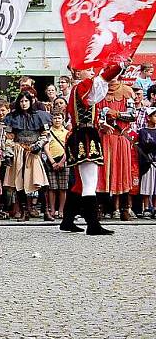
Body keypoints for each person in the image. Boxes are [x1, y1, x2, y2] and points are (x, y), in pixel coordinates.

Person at [60, 62, 124, 236]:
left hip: (82, 133)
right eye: (88, 69)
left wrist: (100, 125)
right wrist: (120, 65)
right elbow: (103, 80)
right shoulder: (82, 87)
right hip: (85, 137)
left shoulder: (77, 90)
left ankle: (67, 221)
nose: (91, 72)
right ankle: (93, 224)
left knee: (79, 184)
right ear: (78, 73)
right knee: (90, 183)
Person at [3, 92, 50, 222]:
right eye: (21, 101)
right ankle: (24, 211)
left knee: (40, 182)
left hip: (34, 151)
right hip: (19, 151)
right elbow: (8, 137)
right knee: (20, 183)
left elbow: (45, 133)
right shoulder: (12, 117)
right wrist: (9, 151)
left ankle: (46, 211)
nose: (24, 103)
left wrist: (39, 144)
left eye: (26, 101)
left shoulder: (40, 116)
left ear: (31, 102)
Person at [98, 78, 134, 220]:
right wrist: (103, 121)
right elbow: (96, 114)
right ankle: (100, 207)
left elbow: (132, 115)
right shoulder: (100, 90)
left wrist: (117, 114)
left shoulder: (127, 90)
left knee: (122, 172)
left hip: (120, 137)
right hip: (104, 137)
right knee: (102, 173)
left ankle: (125, 208)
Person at [44, 111, 69, 220]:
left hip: (64, 160)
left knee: (63, 188)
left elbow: (69, 148)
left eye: (59, 118)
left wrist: (62, 161)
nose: (57, 120)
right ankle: (52, 209)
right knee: (52, 188)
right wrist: (53, 162)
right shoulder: (48, 132)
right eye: (55, 118)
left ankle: (62, 210)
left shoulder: (67, 132)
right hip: (51, 160)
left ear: (63, 119)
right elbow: (46, 147)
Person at [136, 108, 156, 219]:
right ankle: (146, 208)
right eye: (154, 116)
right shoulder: (143, 131)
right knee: (147, 186)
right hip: (148, 161)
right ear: (148, 117)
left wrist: (151, 144)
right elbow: (144, 145)